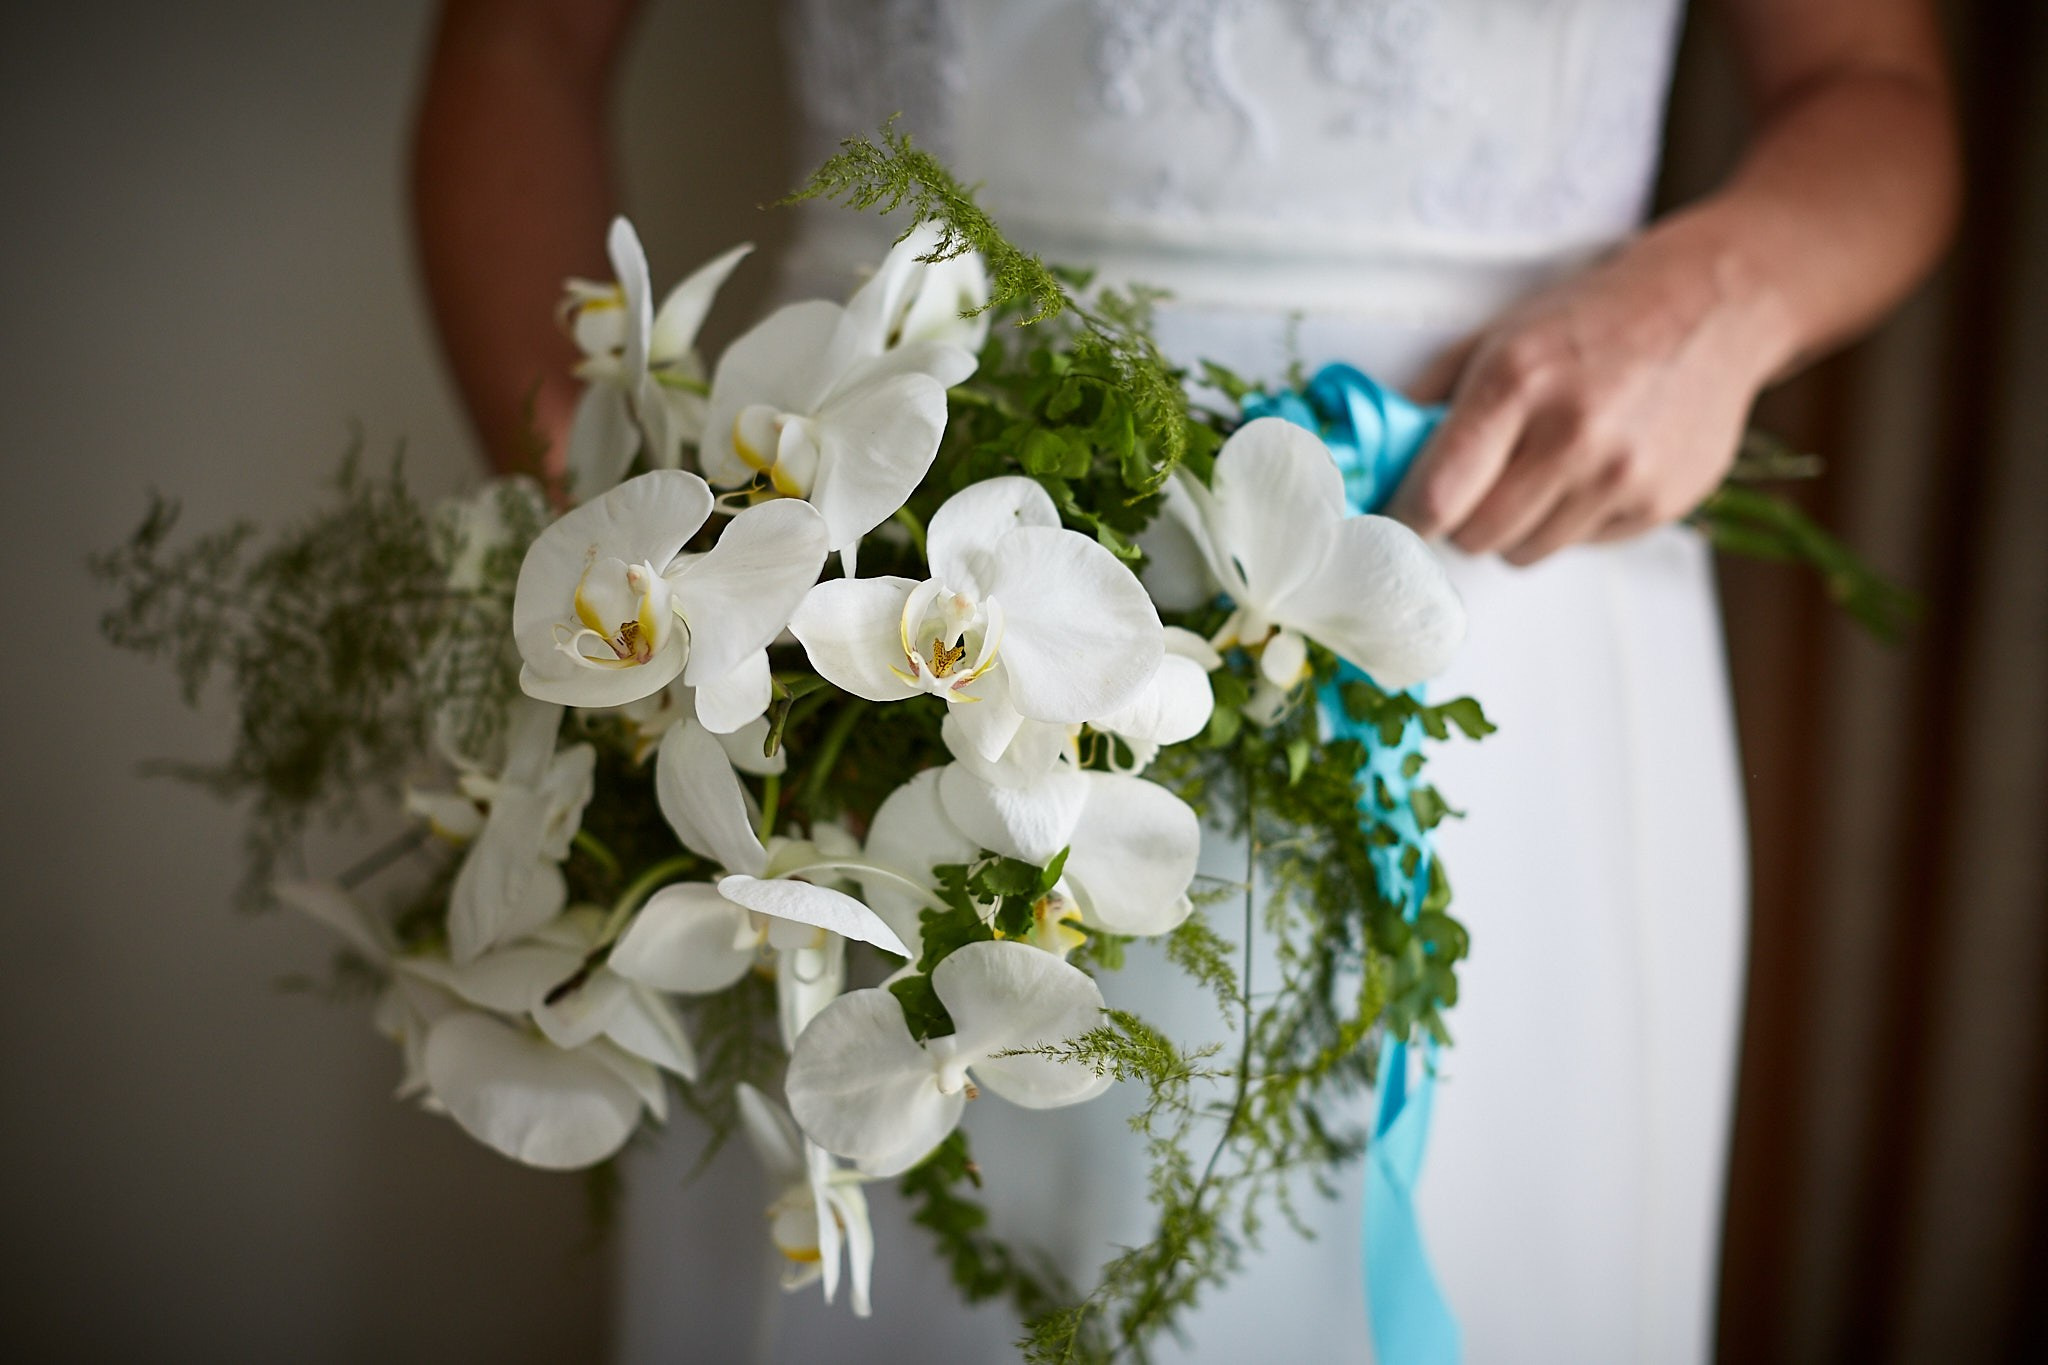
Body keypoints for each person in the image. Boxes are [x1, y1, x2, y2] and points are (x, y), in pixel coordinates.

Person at [413, 2, 1958, 1361]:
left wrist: (1723, 296)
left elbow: (1874, 89)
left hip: (1506, 587)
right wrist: (633, 574)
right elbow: (520, 39)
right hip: (846, 619)